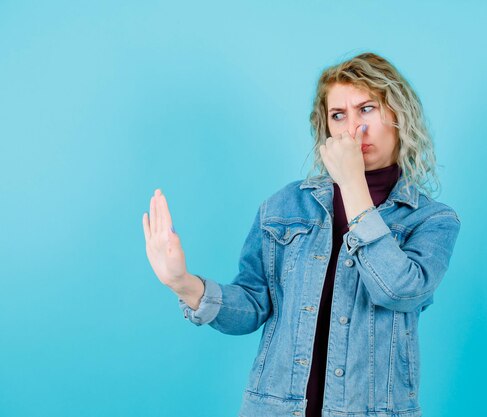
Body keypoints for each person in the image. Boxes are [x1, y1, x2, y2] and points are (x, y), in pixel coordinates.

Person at [142, 52, 461, 417]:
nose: (353, 128)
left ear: (398, 116)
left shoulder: (432, 220)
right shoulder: (285, 207)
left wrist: (352, 184)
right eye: (338, 115)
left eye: (367, 109)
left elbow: (398, 290)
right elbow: (252, 306)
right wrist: (183, 284)